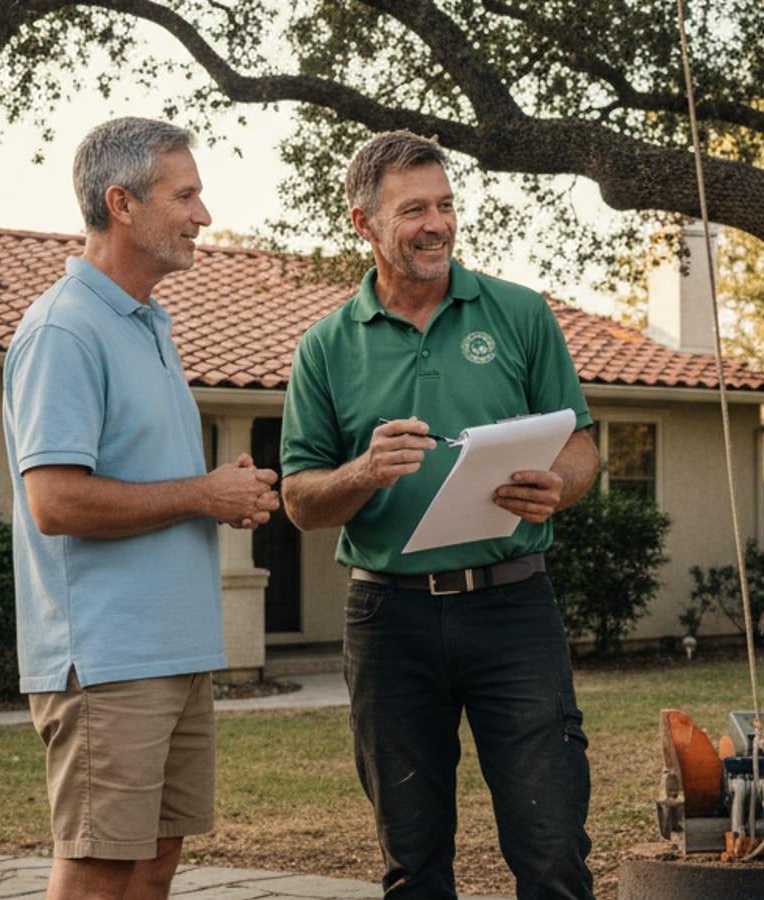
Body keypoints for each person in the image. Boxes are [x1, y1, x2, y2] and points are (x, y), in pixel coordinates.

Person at [279, 130, 600, 900]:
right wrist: (362, 471)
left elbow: (582, 446)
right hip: (388, 619)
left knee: (552, 850)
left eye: (446, 204)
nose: (438, 223)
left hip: (514, 607)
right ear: (364, 224)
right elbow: (299, 500)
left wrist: (558, 484)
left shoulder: (520, 314)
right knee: (413, 861)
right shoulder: (325, 347)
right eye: (414, 209)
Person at [1, 116, 281, 900]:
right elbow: (54, 501)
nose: (204, 215)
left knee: (154, 864)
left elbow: (141, 483)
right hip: (107, 660)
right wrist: (202, 493)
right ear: (121, 203)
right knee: (99, 872)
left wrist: (219, 495)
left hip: (173, 652)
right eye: (185, 195)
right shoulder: (66, 329)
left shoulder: (150, 324)